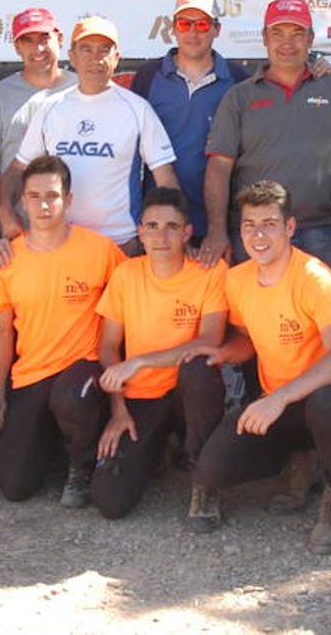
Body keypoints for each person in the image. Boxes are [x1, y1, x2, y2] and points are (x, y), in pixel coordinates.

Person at [185, 181, 331, 554]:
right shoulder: (236, 280)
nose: (258, 234)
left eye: (269, 223)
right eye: (249, 224)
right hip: (277, 403)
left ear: (290, 228)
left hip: (325, 396)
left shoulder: (315, 278)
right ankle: (298, 460)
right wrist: (224, 353)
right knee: (212, 469)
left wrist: (279, 398)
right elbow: (248, 339)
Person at [0, 155, 123, 508]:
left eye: (52, 195)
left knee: (71, 398)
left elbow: (135, 291)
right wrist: (1, 396)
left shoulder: (99, 249)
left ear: (69, 200)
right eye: (34, 196)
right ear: (23, 201)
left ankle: (82, 465)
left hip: (84, 366)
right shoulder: (5, 259)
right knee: (15, 487)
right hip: (32, 372)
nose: (44, 205)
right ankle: (52, 446)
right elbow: (1, 332)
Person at [91, 186, 227, 519]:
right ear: (140, 232)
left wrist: (139, 361)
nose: (161, 236)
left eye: (172, 226)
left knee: (200, 369)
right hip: (141, 396)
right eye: (151, 226)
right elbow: (107, 346)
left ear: (188, 232)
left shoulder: (210, 273)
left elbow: (209, 340)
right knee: (110, 502)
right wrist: (118, 410)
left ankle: (205, 482)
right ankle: (158, 450)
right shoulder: (126, 274)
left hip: (186, 395)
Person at [200, 0, 331, 271]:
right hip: (255, 233)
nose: (287, 43)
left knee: (319, 314)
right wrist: (217, 230)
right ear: (264, 37)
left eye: (297, 33)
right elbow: (218, 168)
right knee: (252, 313)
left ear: (311, 38)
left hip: (316, 232)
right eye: (277, 33)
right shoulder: (239, 97)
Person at [7, 16, 178, 255]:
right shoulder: (50, 108)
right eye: (85, 49)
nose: (95, 58)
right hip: (61, 244)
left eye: (103, 50)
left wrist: (168, 236)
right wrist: (5, 213)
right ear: (72, 56)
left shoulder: (138, 109)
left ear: (116, 58)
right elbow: (18, 169)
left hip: (120, 245)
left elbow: (166, 180)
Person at [131, 0, 249, 244]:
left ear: (217, 29)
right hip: (161, 223)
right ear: (173, 28)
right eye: (185, 24)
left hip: (219, 224)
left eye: (203, 24)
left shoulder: (238, 78)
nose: (193, 32)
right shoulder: (148, 77)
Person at [0, 7, 78, 241]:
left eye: (44, 38)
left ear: (59, 39)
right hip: (19, 233)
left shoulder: (83, 88)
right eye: (27, 40)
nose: (37, 48)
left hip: (82, 231)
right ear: (17, 47)